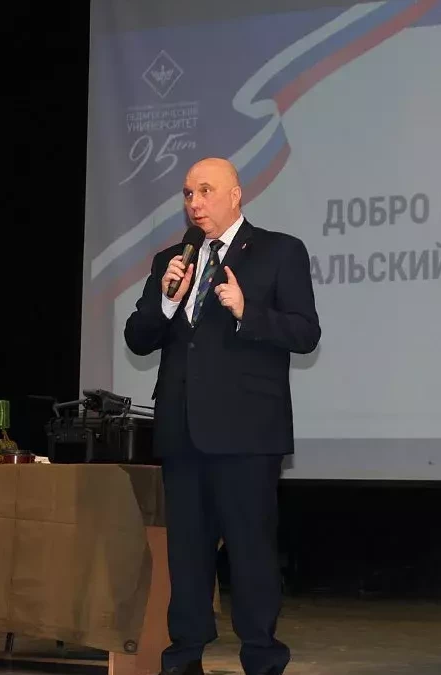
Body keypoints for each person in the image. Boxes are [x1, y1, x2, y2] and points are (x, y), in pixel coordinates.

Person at [124, 157, 321, 675]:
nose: (195, 203)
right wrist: (166, 303)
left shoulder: (280, 251)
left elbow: (305, 333)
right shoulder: (171, 260)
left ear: (236, 195)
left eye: (206, 191)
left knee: (251, 552)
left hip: (248, 433)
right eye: (188, 193)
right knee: (186, 555)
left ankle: (261, 658)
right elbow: (137, 338)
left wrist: (245, 311)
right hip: (181, 431)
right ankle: (183, 657)